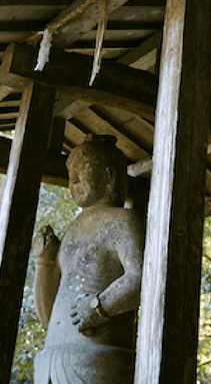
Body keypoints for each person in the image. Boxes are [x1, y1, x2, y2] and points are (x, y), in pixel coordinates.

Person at [32, 134, 144, 384]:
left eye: (82, 171)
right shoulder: (72, 230)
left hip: (97, 359)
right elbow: (49, 317)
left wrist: (99, 307)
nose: (74, 181)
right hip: (53, 359)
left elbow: (140, 278)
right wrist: (44, 262)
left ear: (110, 175)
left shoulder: (123, 220)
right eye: (70, 173)